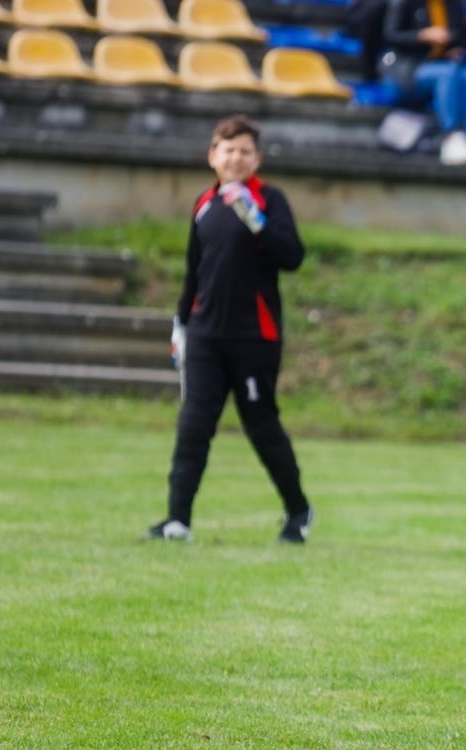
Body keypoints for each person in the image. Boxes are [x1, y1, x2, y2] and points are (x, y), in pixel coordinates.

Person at [150, 116, 313, 545]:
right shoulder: (204, 203)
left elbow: (292, 256)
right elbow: (194, 270)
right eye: (228, 150)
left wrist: (256, 220)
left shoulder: (269, 200)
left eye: (244, 151)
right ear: (212, 156)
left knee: (261, 424)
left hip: (254, 337)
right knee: (194, 423)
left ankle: (298, 511)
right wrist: (181, 322)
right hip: (205, 334)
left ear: (256, 159)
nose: (236, 158)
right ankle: (177, 519)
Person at [382, 0, 466, 165]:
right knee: (448, 73)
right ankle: (451, 135)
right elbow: (390, 34)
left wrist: (457, 47)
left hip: (445, 65)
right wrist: (422, 35)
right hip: (410, 69)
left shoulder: (453, 5)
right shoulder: (405, 3)